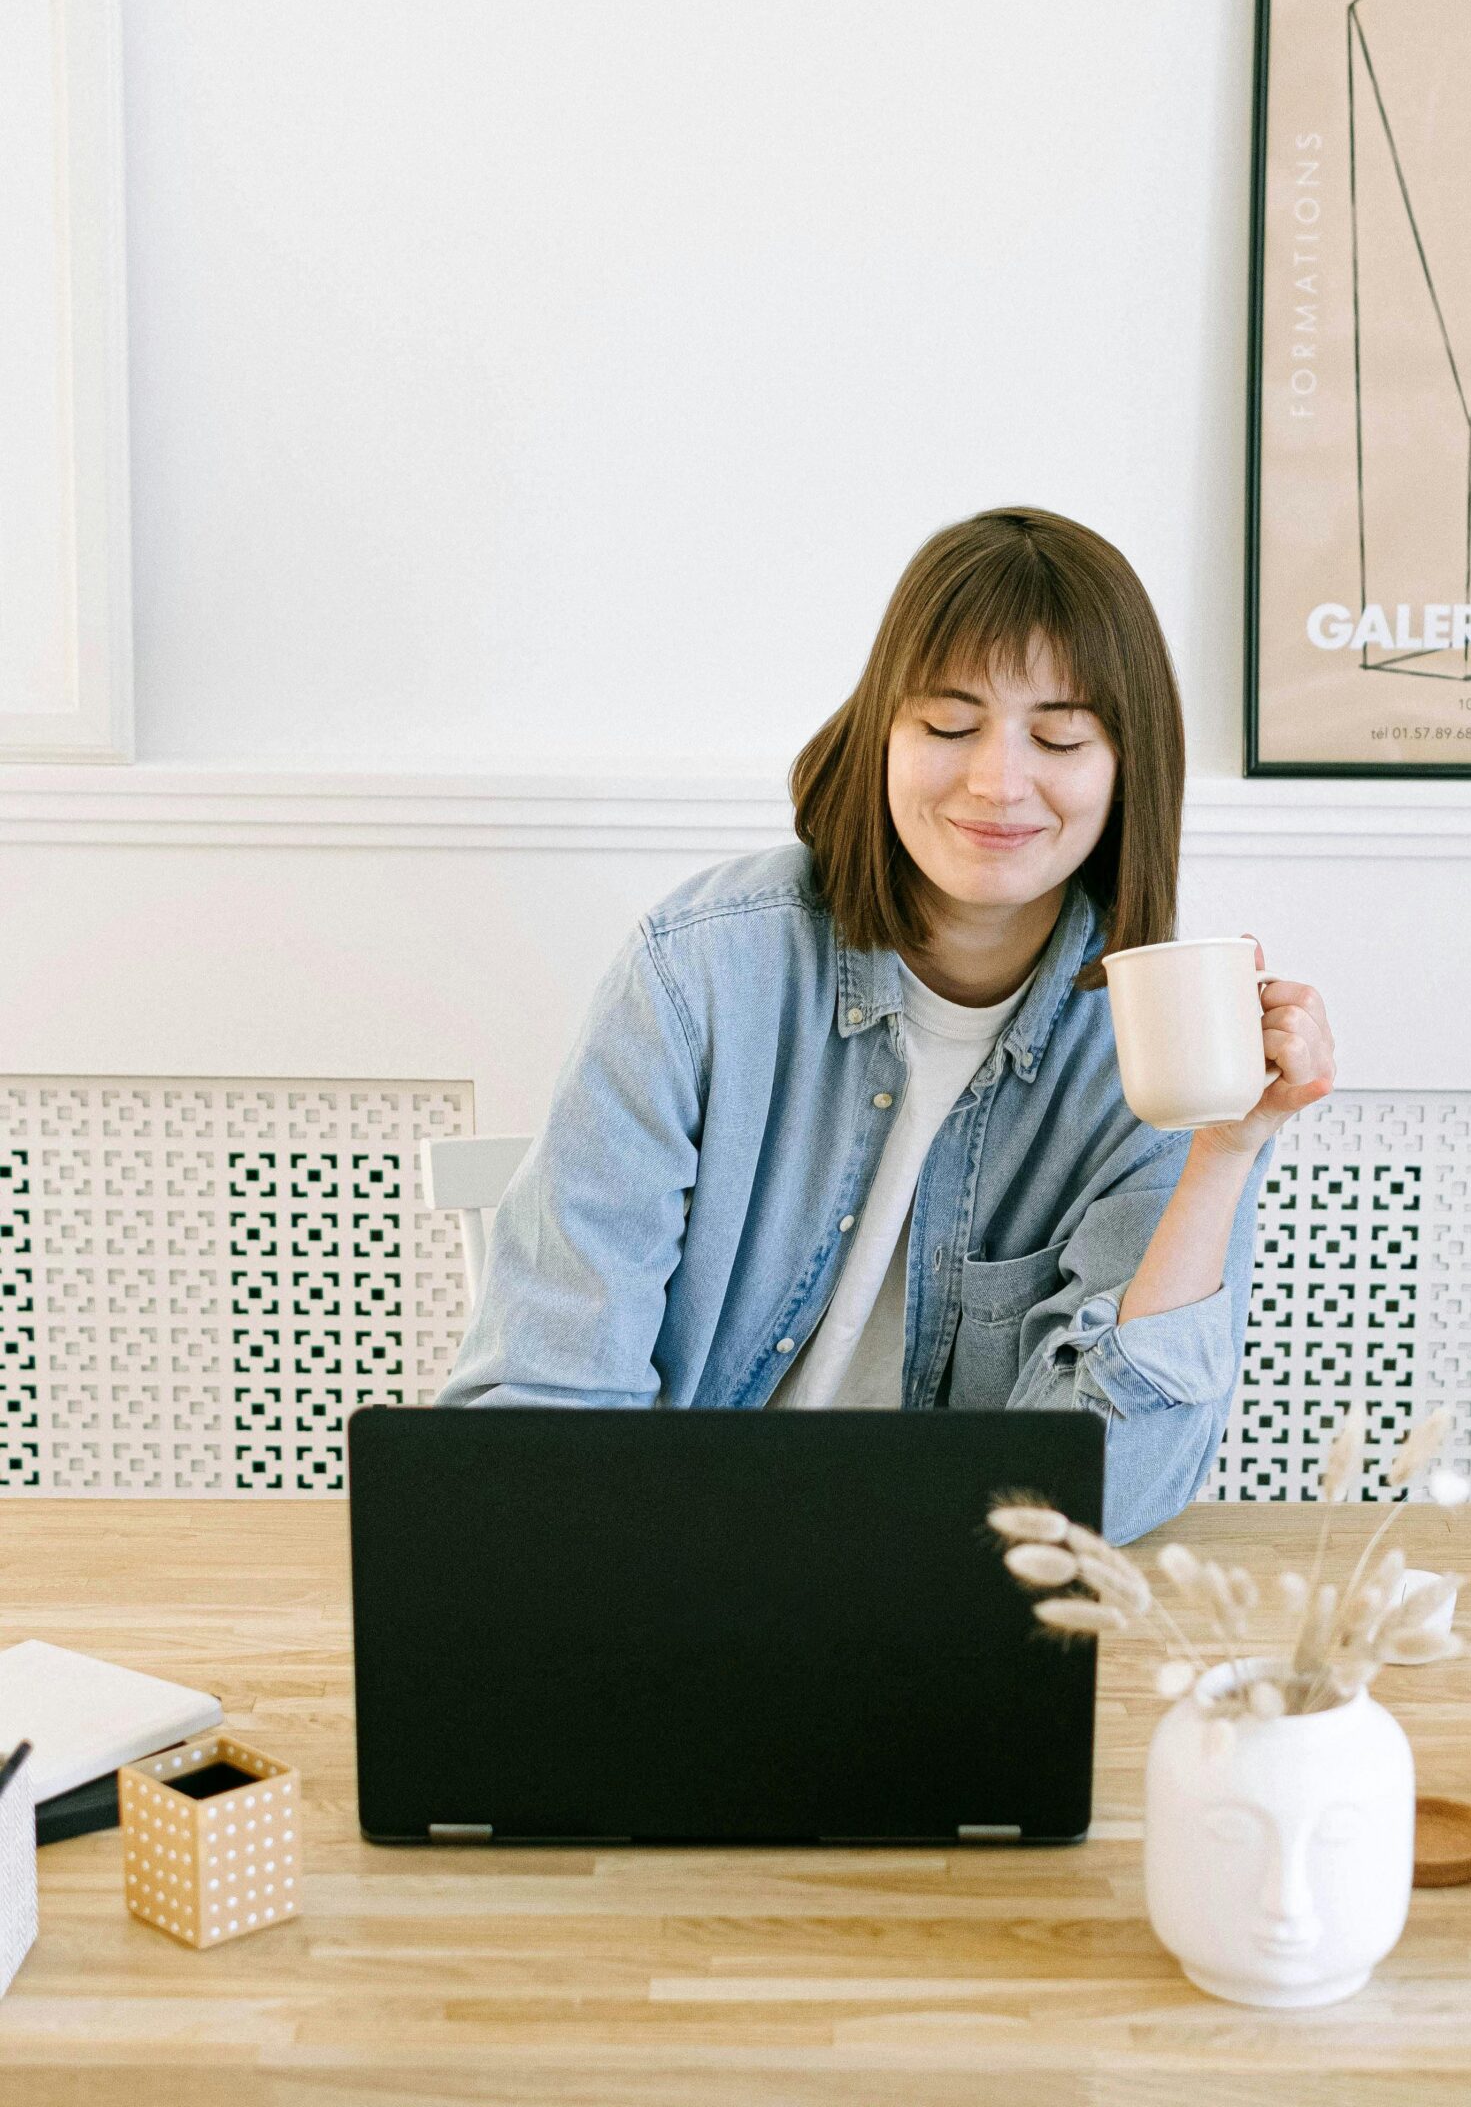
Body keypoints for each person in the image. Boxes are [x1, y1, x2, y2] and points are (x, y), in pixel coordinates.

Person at [438, 506, 1335, 1542]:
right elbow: (544, 1410)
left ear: (1126, 766)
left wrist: (1221, 1151)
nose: (997, 781)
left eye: (1057, 735)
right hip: (669, 1558)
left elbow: (1104, 1494)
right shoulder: (700, 969)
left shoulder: (1164, 1040)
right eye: (948, 725)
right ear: (880, 735)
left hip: (948, 1597)